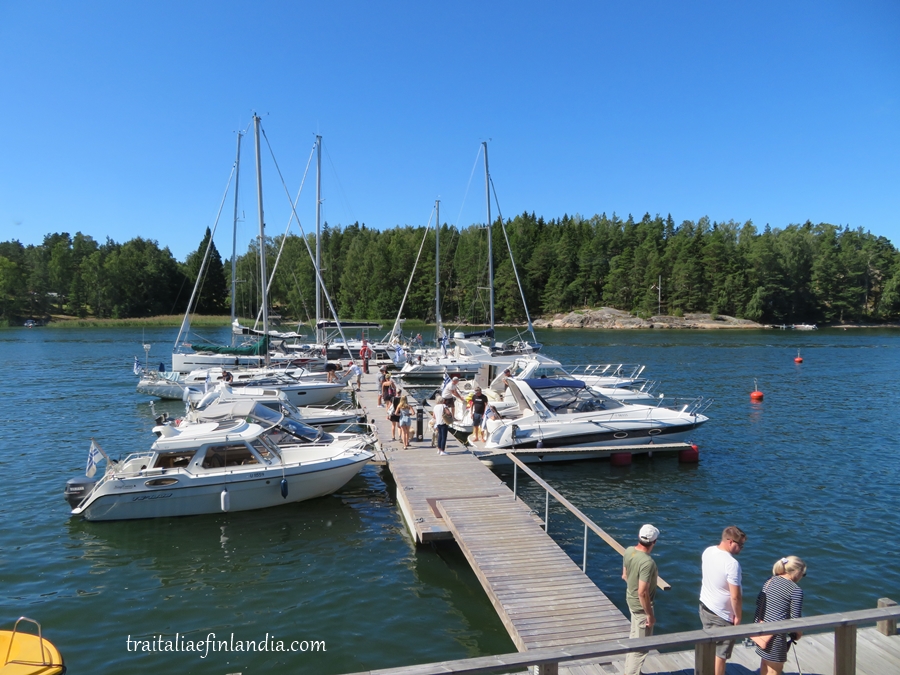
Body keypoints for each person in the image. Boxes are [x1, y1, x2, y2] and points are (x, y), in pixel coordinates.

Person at [699, 526, 747, 675]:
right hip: (722, 615)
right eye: (740, 545)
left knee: (708, 645)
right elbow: (735, 596)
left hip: (705, 607)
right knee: (721, 654)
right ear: (730, 542)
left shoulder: (708, 551)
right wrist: (738, 616)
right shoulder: (731, 563)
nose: (742, 548)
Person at [754, 556, 807, 675]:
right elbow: (796, 620)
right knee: (774, 669)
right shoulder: (796, 590)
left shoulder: (770, 580)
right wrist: (798, 634)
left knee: (765, 664)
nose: (801, 577)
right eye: (803, 574)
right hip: (776, 636)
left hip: (762, 631)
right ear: (797, 571)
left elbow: (759, 602)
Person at [622, 524, 660, 675]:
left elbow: (625, 575)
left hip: (630, 601)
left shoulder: (629, 551)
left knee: (634, 639)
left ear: (639, 537)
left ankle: (631, 671)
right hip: (640, 608)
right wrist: (649, 615)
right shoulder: (647, 563)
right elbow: (642, 592)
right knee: (640, 648)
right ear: (654, 542)